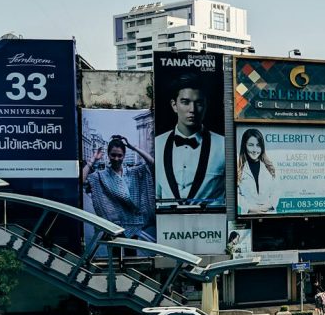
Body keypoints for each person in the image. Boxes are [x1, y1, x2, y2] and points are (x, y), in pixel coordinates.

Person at [155, 72, 226, 208]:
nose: (192, 109)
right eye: (185, 102)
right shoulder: (157, 144)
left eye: (198, 103)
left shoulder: (223, 145)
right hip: (168, 225)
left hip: (211, 225)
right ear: (174, 105)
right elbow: (156, 195)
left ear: (205, 105)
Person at [81, 135, 156, 242]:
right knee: (114, 256)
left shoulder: (133, 173)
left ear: (124, 155)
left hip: (134, 224)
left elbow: (152, 163)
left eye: (120, 155)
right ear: (108, 155)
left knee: (131, 256)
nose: (116, 159)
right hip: (112, 227)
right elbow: (80, 182)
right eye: (113, 155)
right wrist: (91, 160)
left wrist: (133, 147)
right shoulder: (101, 176)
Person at [236, 127, 277, 214]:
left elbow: (277, 191)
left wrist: (267, 206)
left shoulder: (269, 167)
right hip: (249, 215)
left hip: (268, 214)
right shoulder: (238, 168)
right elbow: (236, 195)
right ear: (244, 146)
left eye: (258, 145)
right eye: (251, 145)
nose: (255, 150)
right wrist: (251, 208)